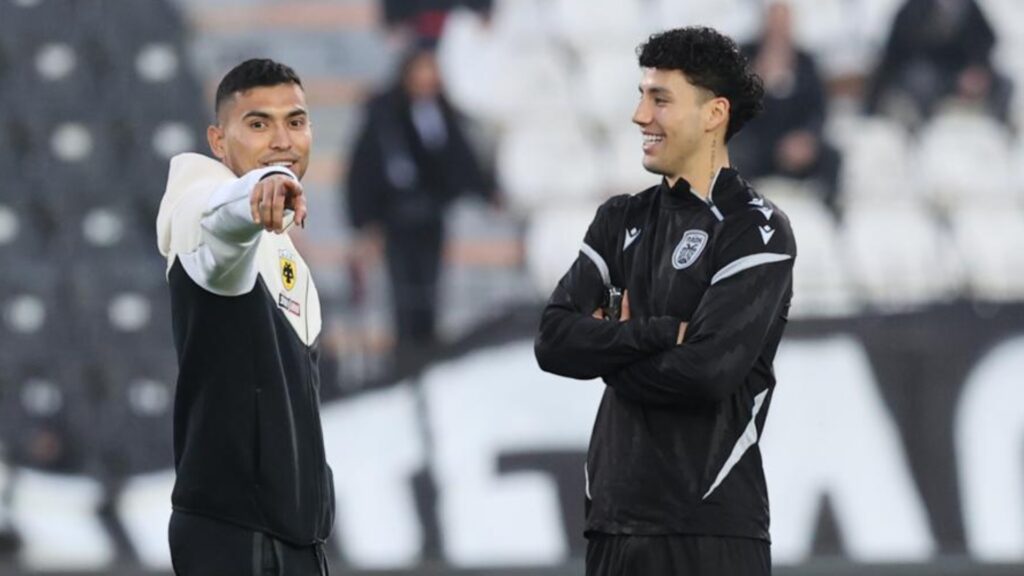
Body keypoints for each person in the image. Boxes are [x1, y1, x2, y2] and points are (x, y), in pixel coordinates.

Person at [535, 27, 796, 576]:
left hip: (711, 528)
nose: (639, 116)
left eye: (660, 99)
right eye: (641, 96)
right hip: (612, 522)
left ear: (713, 113)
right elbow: (553, 341)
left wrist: (606, 352)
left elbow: (706, 372)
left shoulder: (756, 229)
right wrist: (652, 334)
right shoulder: (620, 219)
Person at [156, 59, 333, 575]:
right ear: (217, 140)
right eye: (258, 124)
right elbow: (216, 219)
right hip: (238, 539)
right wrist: (260, 187)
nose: (282, 140)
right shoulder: (203, 209)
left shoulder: (280, 248)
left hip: (294, 542)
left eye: (295, 121)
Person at [345, 41, 494, 356]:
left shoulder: (443, 113)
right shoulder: (384, 115)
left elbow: (460, 159)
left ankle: (427, 351)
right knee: (404, 291)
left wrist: (485, 190)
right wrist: (365, 221)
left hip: (431, 216)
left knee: (430, 288)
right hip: (396, 218)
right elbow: (364, 169)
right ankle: (407, 354)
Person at [730, 1, 842, 214]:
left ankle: (831, 212)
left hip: (794, 142)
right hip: (757, 142)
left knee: (832, 156)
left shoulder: (806, 61)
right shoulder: (745, 56)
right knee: (734, 156)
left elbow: (819, 109)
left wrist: (807, 137)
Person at [864, 0, 1012, 127]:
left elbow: (986, 40)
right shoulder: (914, 8)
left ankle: (998, 129)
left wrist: (977, 69)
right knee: (921, 79)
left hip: (959, 74)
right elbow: (895, 53)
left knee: (1005, 84)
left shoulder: (968, 7)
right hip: (923, 75)